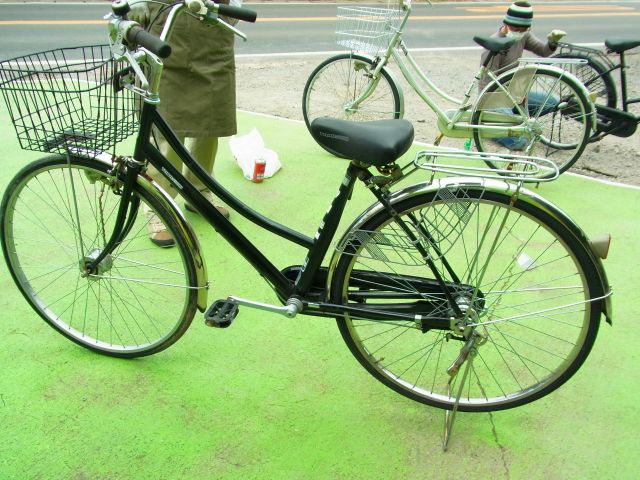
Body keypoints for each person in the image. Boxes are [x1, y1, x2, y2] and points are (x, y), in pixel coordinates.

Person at [129, 0, 238, 247]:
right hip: (167, 25)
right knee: (167, 126)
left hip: (212, 27)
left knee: (210, 123)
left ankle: (199, 191)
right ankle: (159, 204)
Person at [479, 1, 566, 150]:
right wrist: (510, 98)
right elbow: (486, 83)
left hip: (514, 93)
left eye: (523, 29)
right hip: (494, 97)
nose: (518, 32)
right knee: (519, 142)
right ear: (506, 23)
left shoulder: (523, 36)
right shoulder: (494, 45)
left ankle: (511, 119)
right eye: (515, 28)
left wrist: (552, 42)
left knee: (551, 103)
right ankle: (487, 124)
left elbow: (543, 51)